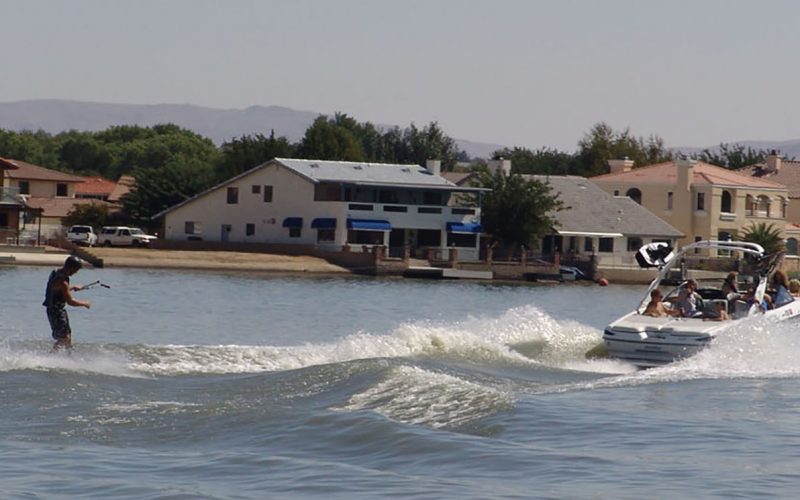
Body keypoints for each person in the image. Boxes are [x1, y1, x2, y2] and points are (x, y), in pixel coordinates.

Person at [43, 256, 91, 350]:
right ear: (71, 268)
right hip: (56, 312)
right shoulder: (63, 281)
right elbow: (70, 301)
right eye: (76, 270)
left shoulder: (55, 272)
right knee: (65, 338)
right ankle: (51, 356)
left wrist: (72, 287)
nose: (75, 273)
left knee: (67, 336)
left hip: (54, 310)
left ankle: (69, 356)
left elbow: (56, 288)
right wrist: (84, 303)